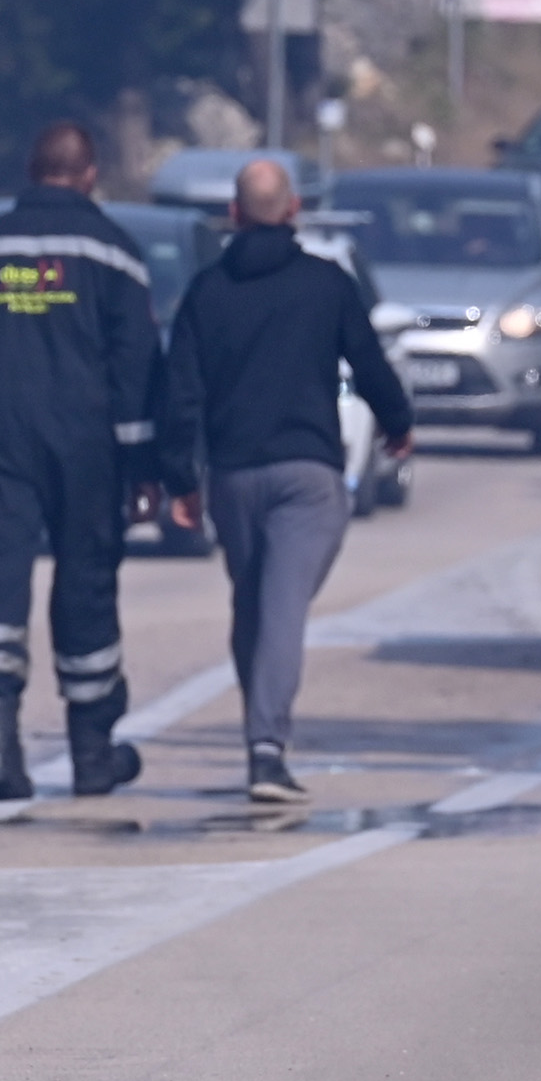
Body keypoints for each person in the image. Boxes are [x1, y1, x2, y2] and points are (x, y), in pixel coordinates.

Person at [0, 120, 161, 802]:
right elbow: (137, 364)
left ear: (30, 169)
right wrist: (143, 467)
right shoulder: (114, 252)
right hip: (87, 448)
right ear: (89, 175)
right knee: (85, 588)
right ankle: (91, 754)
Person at [156, 155, 411, 805]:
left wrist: (180, 478)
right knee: (281, 609)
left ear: (234, 216)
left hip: (234, 478)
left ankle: (260, 733)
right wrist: (398, 424)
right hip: (307, 475)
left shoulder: (207, 292)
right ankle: (266, 751)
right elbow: (370, 362)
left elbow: (179, 392)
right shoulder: (326, 285)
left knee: (256, 603)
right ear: (293, 210)